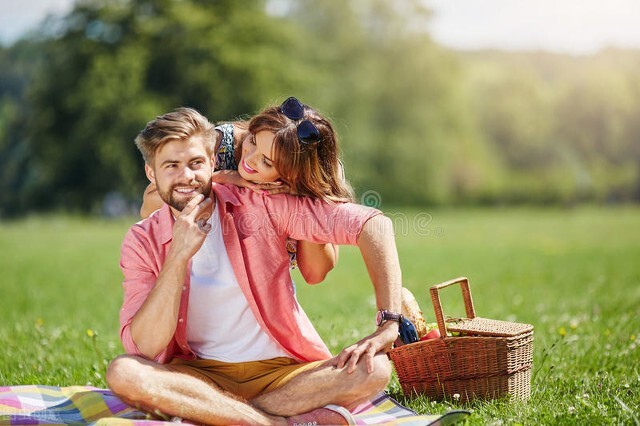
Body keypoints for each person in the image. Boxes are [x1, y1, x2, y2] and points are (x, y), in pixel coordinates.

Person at [106, 101, 403, 425]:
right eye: (171, 166)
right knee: (124, 371)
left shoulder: (263, 203)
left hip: (283, 372)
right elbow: (144, 348)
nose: (186, 176)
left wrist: (389, 323)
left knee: (375, 369)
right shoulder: (142, 240)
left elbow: (374, 225)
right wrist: (177, 254)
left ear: (211, 162)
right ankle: (278, 420)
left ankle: (226, 416)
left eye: (195, 163)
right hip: (197, 376)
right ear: (151, 173)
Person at [138, 100, 349, 285]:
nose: (250, 159)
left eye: (266, 161)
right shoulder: (222, 146)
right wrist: (224, 179)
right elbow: (151, 203)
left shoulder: (312, 183)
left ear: (292, 174)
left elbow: (315, 273)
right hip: (198, 280)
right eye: (253, 141)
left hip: (260, 295)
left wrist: (305, 197)